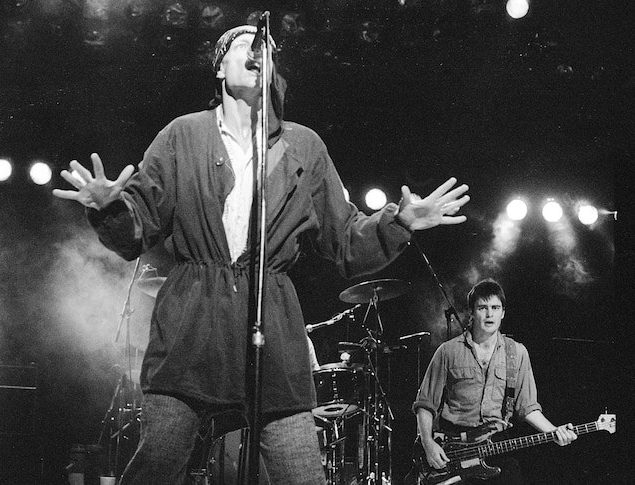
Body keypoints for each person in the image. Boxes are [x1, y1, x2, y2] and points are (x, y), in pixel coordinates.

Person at [53, 24, 469, 484]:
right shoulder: (183, 136)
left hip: (271, 327)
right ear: (219, 65)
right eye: (244, 46)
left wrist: (400, 223)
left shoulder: (303, 146)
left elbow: (345, 240)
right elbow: (138, 227)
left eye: (265, 49)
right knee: (158, 461)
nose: (257, 54)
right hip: (192, 324)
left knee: (301, 472)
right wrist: (109, 206)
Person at [411, 279, 577, 484]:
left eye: (495, 308)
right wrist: (428, 443)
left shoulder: (516, 352)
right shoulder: (448, 351)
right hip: (455, 451)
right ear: (471, 312)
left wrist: (553, 431)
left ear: (503, 312)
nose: (489, 314)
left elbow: (528, 408)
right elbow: (425, 404)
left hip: (497, 447)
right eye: (482, 308)